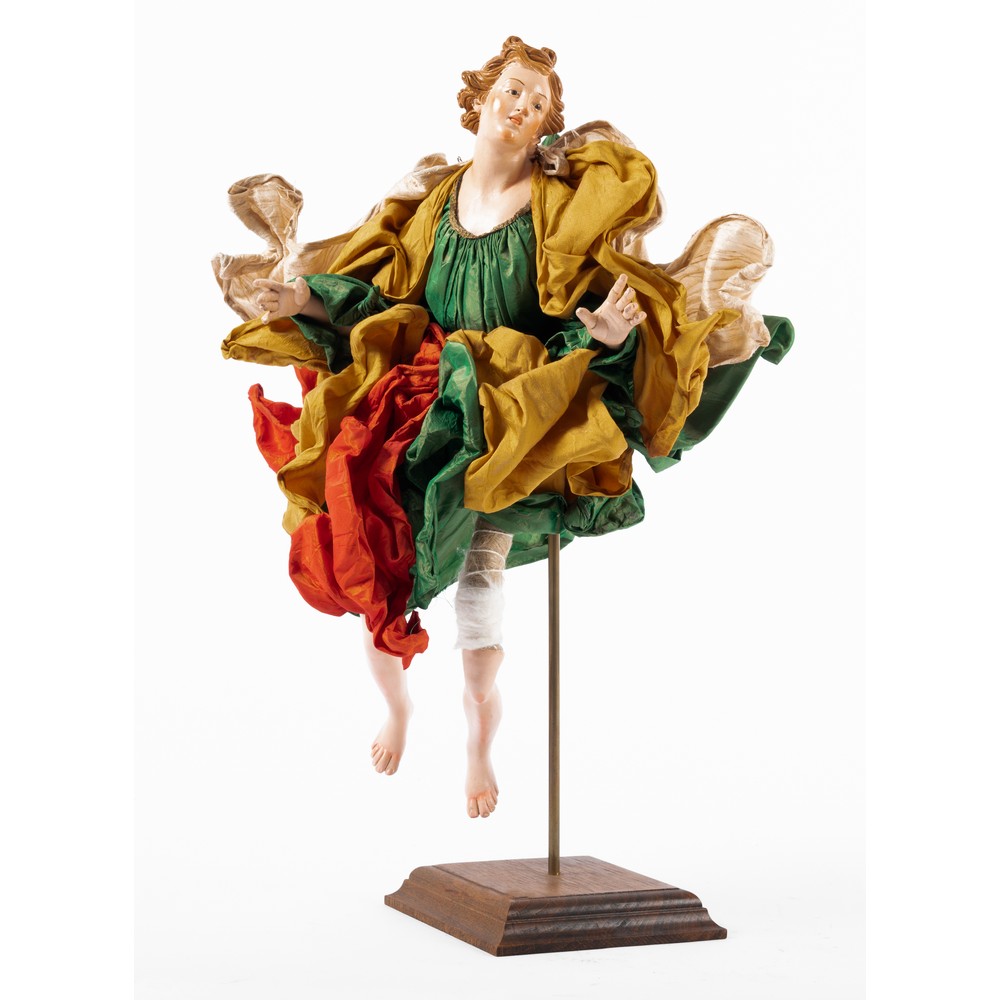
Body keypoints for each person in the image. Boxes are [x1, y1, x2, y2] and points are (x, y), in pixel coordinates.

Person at [214, 36, 793, 820]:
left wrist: (603, 338)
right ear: (480, 98)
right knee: (362, 540)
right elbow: (387, 303)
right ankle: (396, 704)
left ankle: (478, 743)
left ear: (548, 125)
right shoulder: (434, 201)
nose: (521, 107)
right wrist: (305, 301)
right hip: (426, 391)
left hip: (518, 406)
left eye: (538, 102)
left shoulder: (556, 214)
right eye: (513, 90)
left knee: (481, 579)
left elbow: (576, 316)